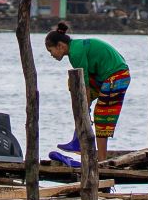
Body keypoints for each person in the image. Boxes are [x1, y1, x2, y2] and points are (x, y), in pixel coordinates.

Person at [44, 21, 130, 162]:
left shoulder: (75, 53)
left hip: (117, 75)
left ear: (60, 46)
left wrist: (86, 102)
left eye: (50, 50)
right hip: (104, 76)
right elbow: (81, 83)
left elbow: (83, 83)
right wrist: (85, 103)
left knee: (102, 115)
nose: (51, 55)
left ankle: (101, 159)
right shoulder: (75, 48)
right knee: (74, 89)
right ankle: (77, 138)